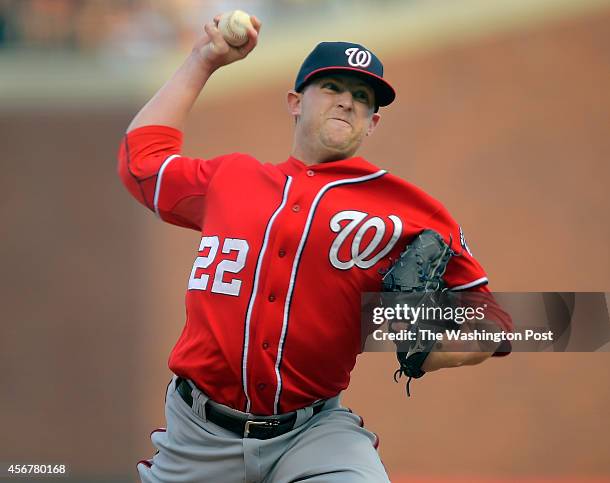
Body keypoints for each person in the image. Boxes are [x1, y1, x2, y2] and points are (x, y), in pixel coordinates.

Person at [118, 13, 511, 483]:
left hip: (314, 435)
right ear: (295, 102)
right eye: (331, 88)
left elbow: (497, 326)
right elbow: (141, 164)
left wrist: (427, 343)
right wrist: (204, 61)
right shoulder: (232, 179)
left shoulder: (408, 211)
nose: (347, 102)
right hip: (196, 437)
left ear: (373, 123)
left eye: (362, 98)